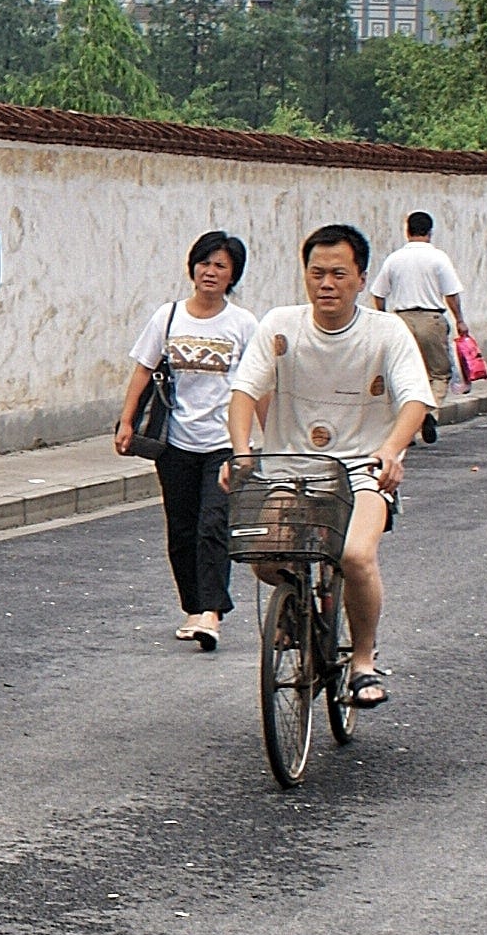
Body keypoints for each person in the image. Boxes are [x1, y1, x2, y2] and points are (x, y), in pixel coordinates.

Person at [225, 224, 435, 711]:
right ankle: (295, 604)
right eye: (316, 272)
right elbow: (244, 391)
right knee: (262, 556)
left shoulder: (386, 332)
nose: (326, 283)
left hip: (361, 471)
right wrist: (241, 449)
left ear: (361, 278)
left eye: (339, 273)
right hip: (288, 469)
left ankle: (362, 660)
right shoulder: (281, 325)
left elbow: (415, 401)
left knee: (356, 557)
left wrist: (391, 450)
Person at [113, 232, 257, 651]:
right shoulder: (169, 316)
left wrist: (267, 438)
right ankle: (194, 607)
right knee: (181, 529)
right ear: (193, 267)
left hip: (223, 442)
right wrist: (126, 423)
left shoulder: (243, 324)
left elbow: (256, 386)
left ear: (233, 276)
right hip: (175, 442)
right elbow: (143, 370)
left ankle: (211, 612)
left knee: (214, 524)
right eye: (204, 263)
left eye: (221, 266)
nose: (210, 272)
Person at [365, 210, 469, 444]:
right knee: (439, 373)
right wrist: (460, 320)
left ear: (407, 230)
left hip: (401, 321)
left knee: (404, 375)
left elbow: (378, 293)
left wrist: (383, 317)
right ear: (430, 232)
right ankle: (427, 413)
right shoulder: (438, 258)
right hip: (431, 320)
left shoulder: (394, 259)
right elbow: (451, 294)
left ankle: (406, 431)